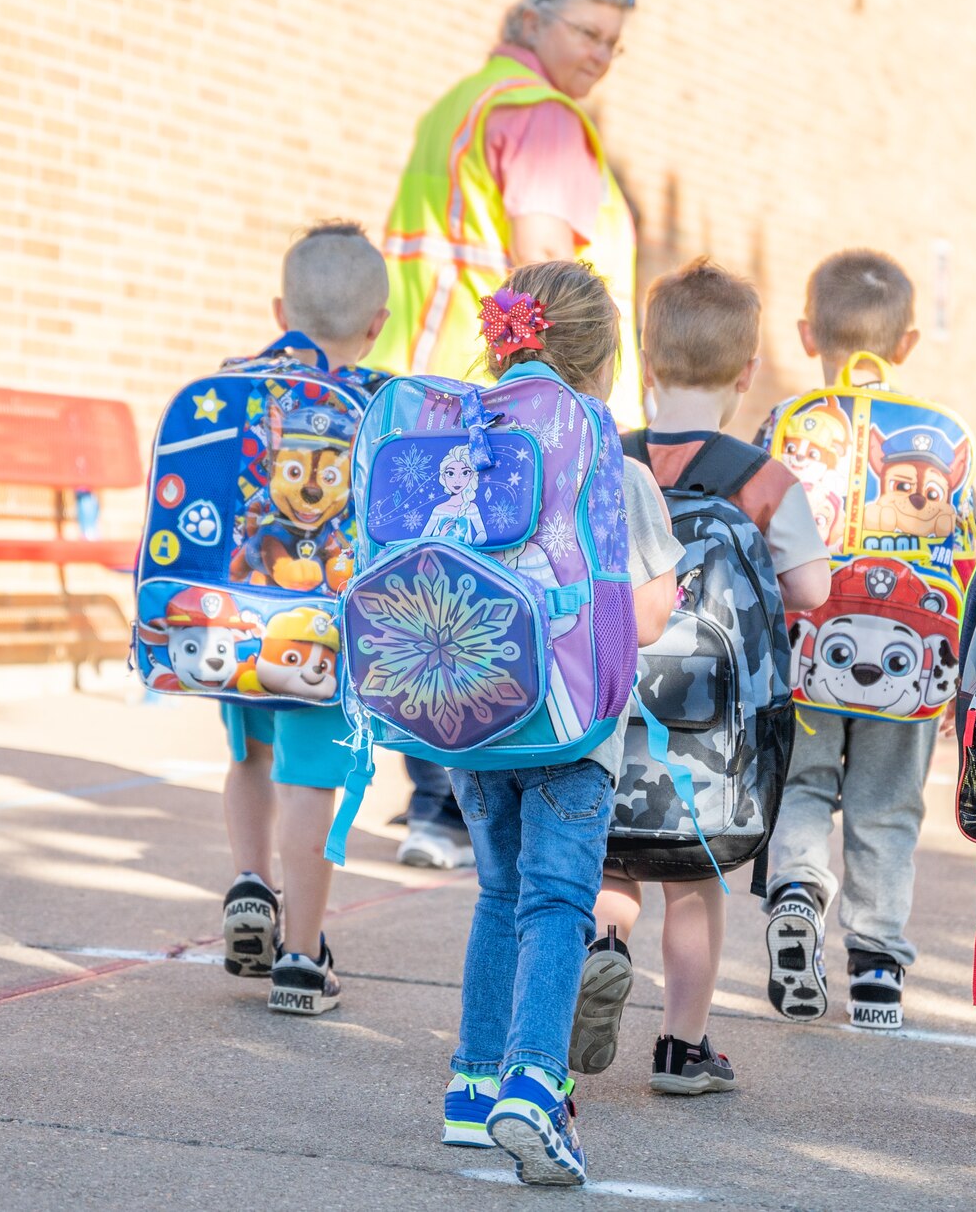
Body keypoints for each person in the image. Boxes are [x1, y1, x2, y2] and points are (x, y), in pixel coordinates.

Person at [381, 0, 642, 858]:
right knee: (521, 583)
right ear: (532, 19)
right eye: (588, 32)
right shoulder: (542, 119)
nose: (602, 55)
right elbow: (546, 265)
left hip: (419, 390)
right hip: (509, 400)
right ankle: (473, 802)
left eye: (615, 42)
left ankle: (432, 793)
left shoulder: (459, 104)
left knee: (432, 581)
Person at [437, 260, 682, 1187]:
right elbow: (651, 617)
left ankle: (470, 1088)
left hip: (465, 710)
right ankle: (536, 1085)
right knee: (556, 901)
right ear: (604, 364)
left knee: (498, 893)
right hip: (572, 724)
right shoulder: (614, 469)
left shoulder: (456, 445)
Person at [566, 259, 832, 1095]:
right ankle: (684, 1047)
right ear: (748, 373)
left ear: (645, 363)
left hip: (605, 715)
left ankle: (605, 948)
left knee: (614, 867)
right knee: (693, 884)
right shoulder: (761, 478)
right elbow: (811, 590)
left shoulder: (605, 458)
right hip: (709, 746)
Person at [758, 250, 941, 1030]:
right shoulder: (933, 440)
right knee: (887, 802)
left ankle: (797, 885)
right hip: (907, 653)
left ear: (807, 334)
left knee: (803, 785)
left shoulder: (786, 427)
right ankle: (875, 966)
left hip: (810, 647)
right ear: (908, 343)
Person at [219, 220, 391, 1016]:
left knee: (252, 757)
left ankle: (251, 881)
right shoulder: (383, 404)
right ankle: (301, 955)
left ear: (280, 306)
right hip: (326, 636)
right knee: (310, 783)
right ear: (377, 323)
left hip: (234, 621)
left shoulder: (232, 384)